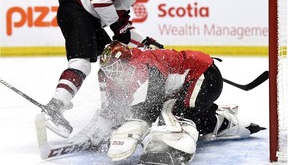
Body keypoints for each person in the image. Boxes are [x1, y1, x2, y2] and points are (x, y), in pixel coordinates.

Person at [65, 41, 265, 164]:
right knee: (192, 118)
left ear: (125, 62)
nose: (112, 73)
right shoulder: (115, 74)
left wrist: (135, 124)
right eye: (109, 68)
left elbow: (151, 100)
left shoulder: (143, 63)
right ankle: (226, 122)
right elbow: (116, 106)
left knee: (181, 114)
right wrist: (106, 128)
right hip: (190, 82)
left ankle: (176, 149)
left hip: (204, 75)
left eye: (116, 67)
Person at [42, 0, 164, 139]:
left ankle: (110, 112)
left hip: (85, 16)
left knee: (112, 59)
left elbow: (123, 28)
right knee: (81, 63)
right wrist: (117, 26)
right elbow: (99, 0)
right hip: (79, 10)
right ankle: (54, 108)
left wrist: (146, 42)